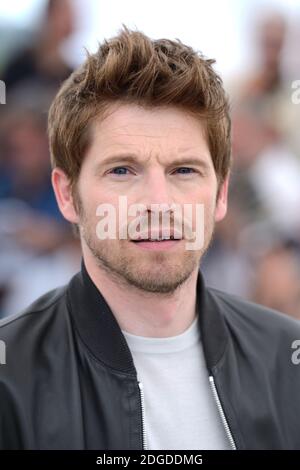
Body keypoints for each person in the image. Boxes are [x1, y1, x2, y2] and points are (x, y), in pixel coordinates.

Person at [0, 28, 300, 450]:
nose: (159, 203)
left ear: (220, 194)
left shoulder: (287, 359)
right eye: (122, 170)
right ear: (67, 195)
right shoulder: (10, 379)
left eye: (184, 170)